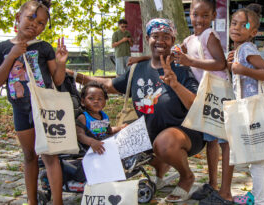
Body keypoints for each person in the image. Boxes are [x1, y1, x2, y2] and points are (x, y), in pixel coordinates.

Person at [68, 18, 205, 202]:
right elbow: (108, 85)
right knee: (119, 146)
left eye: (166, 36)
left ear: (173, 41)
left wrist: (175, 84)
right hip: (151, 130)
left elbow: (195, 105)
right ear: (148, 38)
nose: (160, 41)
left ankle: (186, 176)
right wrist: (74, 75)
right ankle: (161, 166)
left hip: (186, 133)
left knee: (164, 142)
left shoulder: (181, 69)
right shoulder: (138, 69)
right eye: (155, 36)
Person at [0, 1, 68, 204]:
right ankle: (32, 201)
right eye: (31, 18)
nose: (35, 24)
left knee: (49, 155)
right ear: (18, 17)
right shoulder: (2, 48)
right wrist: (12, 56)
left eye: (41, 23)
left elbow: (58, 80)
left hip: (44, 110)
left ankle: (57, 201)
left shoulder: (43, 47)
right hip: (20, 110)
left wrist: (61, 63)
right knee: (29, 156)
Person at [170, 0, 235, 204]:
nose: (199, 20)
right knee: (211, 141)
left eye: (205, 16)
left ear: (214, 16)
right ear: (190, 14)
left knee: (225, 143)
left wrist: (190, 61)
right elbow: (174, 55)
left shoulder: (210, 35)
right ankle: (213, 185)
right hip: (206, 94)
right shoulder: (190, 39)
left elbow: (220, 63)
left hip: (219, 93)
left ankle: (225, 192)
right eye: (196, 15)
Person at [227, 3, 264, 205]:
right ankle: (257, 194)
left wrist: (242, 69)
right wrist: (234, 64)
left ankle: (261, 199)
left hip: (253, 109)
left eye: (243, 26)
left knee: (256, 158)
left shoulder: (246, 47)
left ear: (253, 32)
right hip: (248, 108)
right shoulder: (240, 49)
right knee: (253, 156)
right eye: (234, 23)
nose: (236, 28)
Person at [76, 81, 125, 155]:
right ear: (83, 101)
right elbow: (79, 135)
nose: (96, 101)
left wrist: (120, 128)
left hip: (103, 148)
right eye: (91, 98)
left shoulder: (104, 116)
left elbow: (109, 130)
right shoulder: (83, 117)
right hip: (89, 150)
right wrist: (91, 142)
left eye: (100, 99)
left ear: (105, 101)